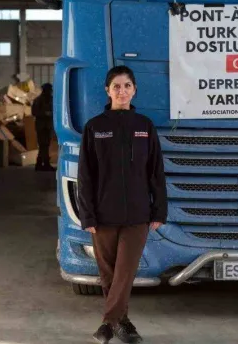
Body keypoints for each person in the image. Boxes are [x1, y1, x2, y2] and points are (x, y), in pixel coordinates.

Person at [77, 66, 167, 344]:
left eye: (127, 85)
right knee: (108, 274)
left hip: (138, 214)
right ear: (107, 91)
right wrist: (87, 215)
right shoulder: (95, 127)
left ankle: (107, 324)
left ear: (134, 90)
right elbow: (85, 175)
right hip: (103, 214)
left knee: (125, 271)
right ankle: (121, 323)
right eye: (116, 86)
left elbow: (155, 171)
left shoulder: (144, 126)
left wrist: (159, 209)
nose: (122, 91)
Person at [32, 83, 55, 171]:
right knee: (43, 145)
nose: (50, 92)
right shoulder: (38, 100)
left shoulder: (51, 100)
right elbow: (34, 112)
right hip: (42, 127)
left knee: (45, 146)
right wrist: (45, 113)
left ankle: (41, 164)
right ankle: (44, 164)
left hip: (47, 126)